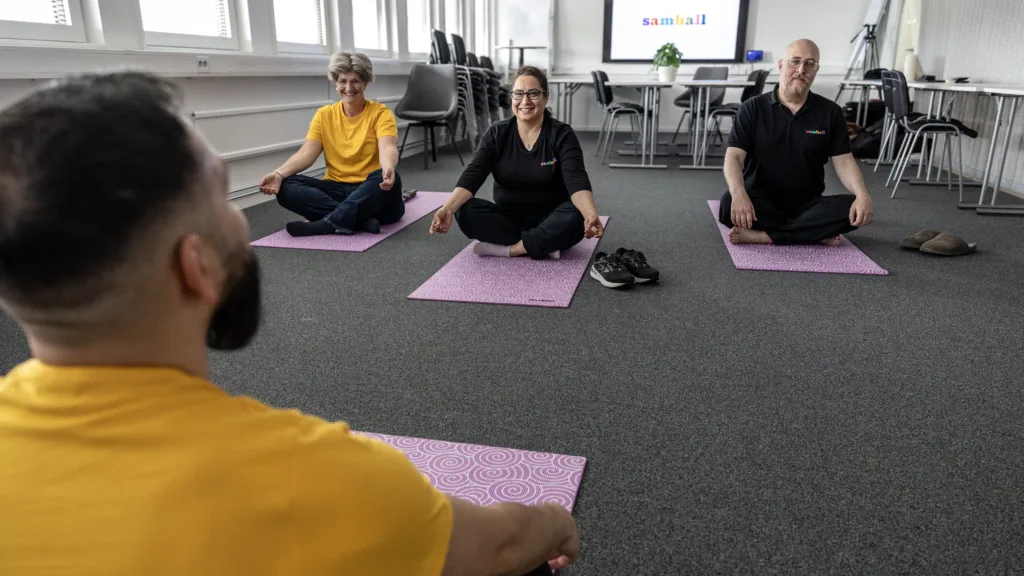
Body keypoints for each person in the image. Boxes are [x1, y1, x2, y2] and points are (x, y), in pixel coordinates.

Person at [0, 72, 579, 576]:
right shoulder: (323, 477)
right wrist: (554, 521)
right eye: (225, 200)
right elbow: (498, 546)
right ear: (197, 266)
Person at [429, 66, 603, 259]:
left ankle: (512, 249)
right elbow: (472, 176)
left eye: (533, 94)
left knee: (576, 216)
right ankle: (542, 243)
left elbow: (576, 179)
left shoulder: (562, 134)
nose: (525, 101)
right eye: (518, 94)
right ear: (512, 97)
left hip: (552, 216)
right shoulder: (497, 133)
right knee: (465, 210)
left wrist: (589, 214)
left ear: (545, 97)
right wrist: (447, 209)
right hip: (509, 218)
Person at [720, 39, 875, 245]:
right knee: (728, 203)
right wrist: (739, 194)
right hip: (760, 201)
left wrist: (862, 195)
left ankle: (766, 236)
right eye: (795, 61)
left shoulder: (830, 112)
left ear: (816, 70)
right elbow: (734, 157)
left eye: (810, 64)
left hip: (808, 203)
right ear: (781, 65)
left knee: (852, 208)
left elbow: (844, 161)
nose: (802, 69)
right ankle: (811, 232)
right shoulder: (752, 108)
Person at [258, 52, 404, 237]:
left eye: (356, 81)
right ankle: (358, 221)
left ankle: (327, 224)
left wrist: (388, 167)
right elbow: (306, 154)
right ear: (336, 82)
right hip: (336, 189)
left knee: (392, 179)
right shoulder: (324, 115)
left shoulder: (381, 113)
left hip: (371, 192)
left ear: (365, 82)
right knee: (287, 186)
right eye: (343, 81)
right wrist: (278, 174)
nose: (348, 87)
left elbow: (387, 147)